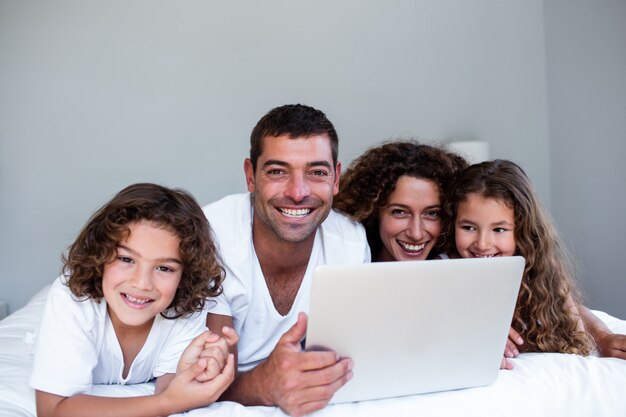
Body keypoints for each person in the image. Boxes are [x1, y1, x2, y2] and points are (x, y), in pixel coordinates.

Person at [203, 104, 370, 417]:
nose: (297, 192)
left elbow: (347, 361)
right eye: (278, 171)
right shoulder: (212, 236)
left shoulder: (350, 242)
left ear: (336, 179)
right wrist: (267, 384)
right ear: (251, 176)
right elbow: (206, 382)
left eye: (317, 172)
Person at [29, 183, 238, 417]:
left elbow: (175, 393)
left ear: (184, 277)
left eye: (164, 268)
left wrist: (190, 373)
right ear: (100, 255)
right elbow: (52, 410)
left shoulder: (185, 307)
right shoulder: (73, 298)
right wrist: (165, 402)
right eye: (127, 259)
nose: (142, 283)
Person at [441, 159, 625, 358]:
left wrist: (603, 337)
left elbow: (571, 311)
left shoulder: (538, 269)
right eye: (468, 227)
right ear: (453, 223)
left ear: (522, 230)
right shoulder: (441, 270)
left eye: (499, 229)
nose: (482, 243)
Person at [333, 140, 467, 262]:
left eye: (432, 214)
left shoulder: (458, 274)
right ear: (372, 211)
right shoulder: (346, 264)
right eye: (399, 212)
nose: (416, 234)